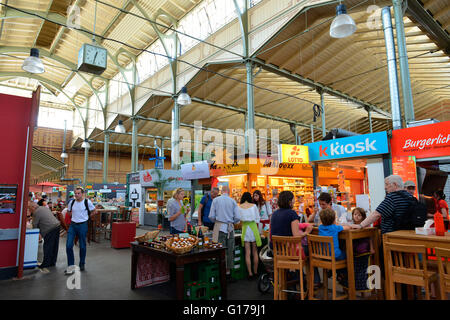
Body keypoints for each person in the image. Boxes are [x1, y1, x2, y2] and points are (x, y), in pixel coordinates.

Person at [209, 185, 241, 278]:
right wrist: (231, 222)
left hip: (219, 227)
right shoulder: (233, 201)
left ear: (221, 191)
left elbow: (211, 216)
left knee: (220, 250)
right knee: (230, 250)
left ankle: (220, 272)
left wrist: (216, 221)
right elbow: (238, 217)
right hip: (230, 228)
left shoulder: (216, 200)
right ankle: (228, 273)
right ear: (229, 191)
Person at [65, 187, 96, 275]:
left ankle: (82, 263)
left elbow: (94, 211)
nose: (77, 195)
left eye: (78, 193)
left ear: (82, 194)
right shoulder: (72, 202)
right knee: (68, 245)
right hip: (73, 225)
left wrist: (87, 217)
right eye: (75, 193)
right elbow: (68, 211)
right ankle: (70, 266)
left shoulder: (87, 202)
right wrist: (73, 216)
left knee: (82, 246)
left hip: (83, 225)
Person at [29, 201, 61, 272]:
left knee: (48, 246)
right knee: (54, 246)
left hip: (49, 229)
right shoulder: (43, 208)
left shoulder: (36, 212)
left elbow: (35, 225)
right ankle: (52, 262)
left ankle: (46, 263)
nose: (30, 211)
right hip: (56, 226)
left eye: (30, 209)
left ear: (33, 207)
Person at [238, 192, 261, 280]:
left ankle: (250, 274)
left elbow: (238, 220)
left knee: (247, 253)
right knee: (255, 252)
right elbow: (257, 219)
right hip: (253, 228)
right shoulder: (254, 206)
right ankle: (255, 272)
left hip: (245, 229)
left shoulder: (239, 207)